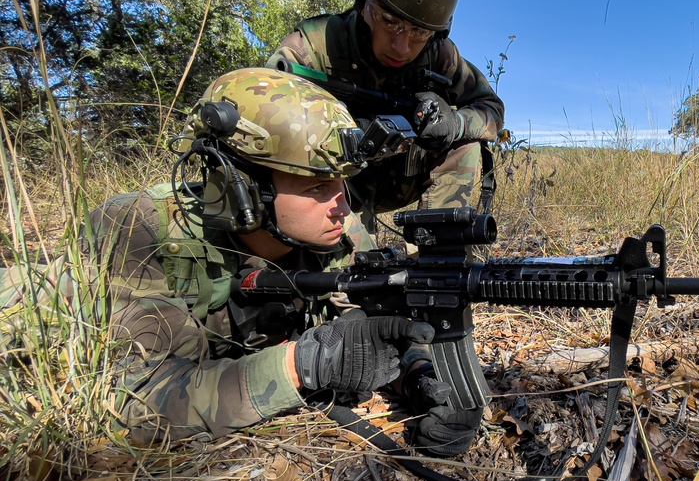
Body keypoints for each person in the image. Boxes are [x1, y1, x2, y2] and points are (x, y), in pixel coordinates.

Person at [91, 68, 481, 455]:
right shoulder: (143, 231)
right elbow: (137, 405)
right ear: (241, 187)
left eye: (343, 183)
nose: (342, 206)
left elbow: (370, 326)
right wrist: (302, 365)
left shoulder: (336, 233)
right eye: (317, 186)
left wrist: (417, 373)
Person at [266, 0, 505, 245]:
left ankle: (440, 259)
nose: (402, 46)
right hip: (332, 187)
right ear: (362, 1)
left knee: (466, 145)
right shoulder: (310, 52)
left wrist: (454, 123)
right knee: (355, 282)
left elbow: (491, 109)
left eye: (419, 32)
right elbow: (263, 137)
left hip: (401, 178)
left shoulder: (440, 55)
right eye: (390, 21)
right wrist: (341, 137)